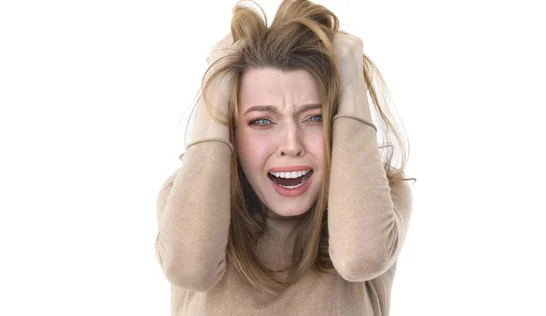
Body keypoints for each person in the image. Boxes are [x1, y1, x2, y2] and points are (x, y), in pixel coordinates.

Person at [155, 0, 415, 315]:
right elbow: (189, 269)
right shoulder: (184, 197)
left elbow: (360, 257)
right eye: (262, 121)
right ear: (232, 132)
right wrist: (218, 85)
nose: (291, 145)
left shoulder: (381, 196)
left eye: (314, 118)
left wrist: (351, 79)